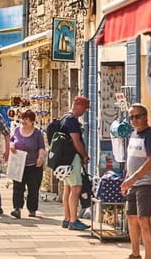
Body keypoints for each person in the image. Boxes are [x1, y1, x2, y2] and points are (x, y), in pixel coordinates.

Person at [121, 103, 151, 259]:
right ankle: (135, 253)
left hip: (146, 183)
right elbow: (131, 160)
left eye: (137, 116)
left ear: (145, 117)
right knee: (131, 217)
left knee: (144, 219)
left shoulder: (150, 135)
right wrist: (127, 179)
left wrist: (133, 178)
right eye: (131, 117)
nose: (134, 120)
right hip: (133, 183)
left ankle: (149, 256)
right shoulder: (133, 135)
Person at [57, 96, 91, 230]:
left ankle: (67, 218)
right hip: (72, 158)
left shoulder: (64, 117)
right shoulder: (72, 120)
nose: (84, 112)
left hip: (64, 159)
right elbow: (76, 141)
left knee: (68, 188)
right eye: (85, 109)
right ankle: (73, 220)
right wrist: (84, 155)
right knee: (76, 188)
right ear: (79, 106)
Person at [8, 110, 46, 219]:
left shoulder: (37, 133)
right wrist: (11, 146)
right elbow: (11, 140)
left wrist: (40, 158)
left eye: (27, 119)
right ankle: (17, 208)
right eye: (22, 119)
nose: (24, 121)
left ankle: (32, 209)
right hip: (18, 164)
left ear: (32, 121)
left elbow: (41, 147)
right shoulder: (16, 130)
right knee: (17, 188)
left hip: (33, 165)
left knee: (33, 188)